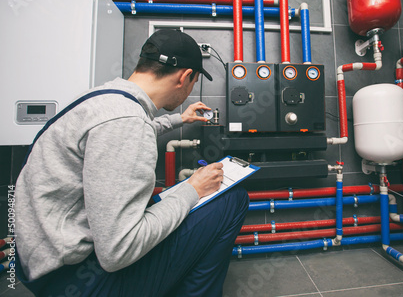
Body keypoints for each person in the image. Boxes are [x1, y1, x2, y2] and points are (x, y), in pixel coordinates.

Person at [15, 29, 249, 296]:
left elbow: (132, 129)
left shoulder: (108, 98)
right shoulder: (126, 123)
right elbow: (119, 252)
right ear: (185, 77)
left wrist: (178, 120)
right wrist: (192, 189)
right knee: (233, 200)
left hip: (44, 265)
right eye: (194, 82)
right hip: (77, 282)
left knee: (163, 204)